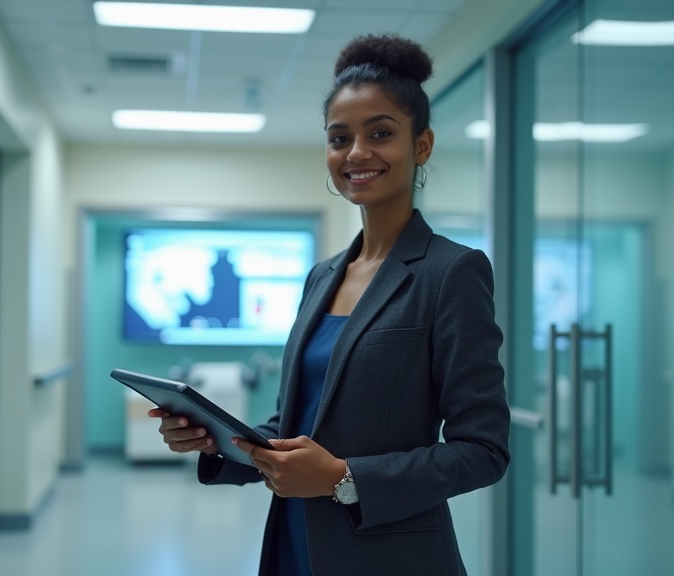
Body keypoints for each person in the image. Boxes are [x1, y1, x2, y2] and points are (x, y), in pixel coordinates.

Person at [150, 33, 510, 576]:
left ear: (422, 146)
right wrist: (215, 442)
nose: (356, 153)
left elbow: (483, 450)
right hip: (295, 546)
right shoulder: (321, 277)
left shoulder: (450, 272)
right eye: (339, 138)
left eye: (380, 133)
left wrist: (345, 478)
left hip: (391, 556)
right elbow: (289, 427)